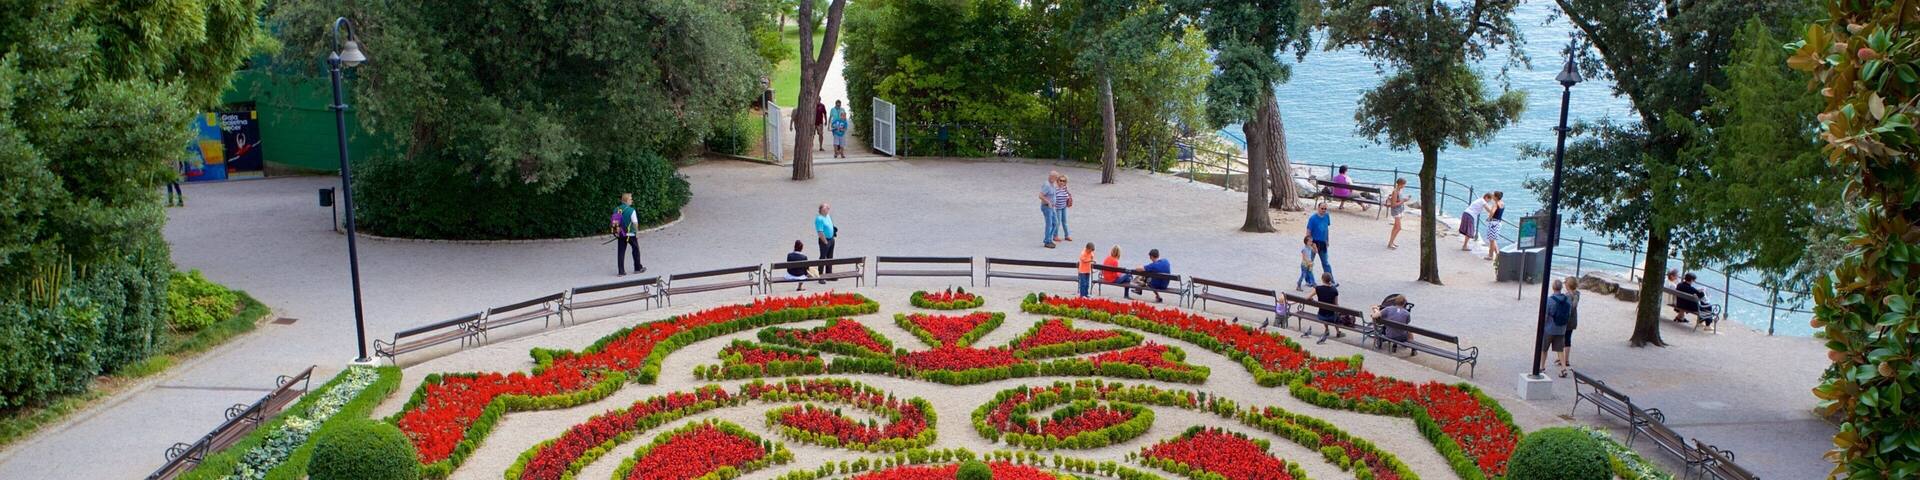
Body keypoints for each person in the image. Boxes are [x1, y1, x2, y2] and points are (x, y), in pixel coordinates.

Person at [610, 193, 646, 276]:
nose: (632, 200)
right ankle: (637, 268)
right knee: (635, 250)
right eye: (630, 199)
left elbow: (615, 221)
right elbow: (635, 223)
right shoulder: (631, 210)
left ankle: (621, 271)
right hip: (630, 234)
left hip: (620, 233)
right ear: (626, 200)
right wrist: (636, 232)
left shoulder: (616, 209)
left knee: (621, 252)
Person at [1546, 279, 1573, 377]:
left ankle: (1541, 367)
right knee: (1560, 349)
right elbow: (1569, 313)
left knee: (1544, 349)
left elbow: (1545, 315)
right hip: (1561, 328)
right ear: (1561, 288)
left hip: (1550, 328)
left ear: (1553, 288)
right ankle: (1563, 368)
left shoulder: (1549, 300)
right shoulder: (1567, 299)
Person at [1306, 272, 1343, 344]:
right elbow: (1336, 305)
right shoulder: (1334, 290)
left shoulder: (1318, 288)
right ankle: (1338, 332)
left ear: (1322, 279)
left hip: (1321, 315)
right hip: (1332, 317)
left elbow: (1307, 298)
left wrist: (1312, 299)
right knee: (1335, 312)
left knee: (1325, 311)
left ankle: (1326, 329)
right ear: (1330, 280)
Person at [1307, 202, 1333, 280]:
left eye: (1325, 209)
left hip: (1322, 242)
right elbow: (1308, 232)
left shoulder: (1327, 216)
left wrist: (1327, 240)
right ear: (1318, 208)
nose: (1323, 210)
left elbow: (1326, 229)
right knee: (1309, 262)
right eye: (1322, 208)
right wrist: (1310, 244)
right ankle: (1309, 280)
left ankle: (1330, 280)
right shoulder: (1313, 218)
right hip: (1314, 242)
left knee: (1325, 263)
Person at [1561, 277, 1580, 368]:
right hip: (1573, 320)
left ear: (1567, 285)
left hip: (1566, 320)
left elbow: (1570, 307)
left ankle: (1563, 359)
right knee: (1568, 338)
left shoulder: (1567, 296)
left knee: (1563, 338)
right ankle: (1566, 359)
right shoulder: (1577, 294)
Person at [815, 203, 837, 283]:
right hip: (824, 240)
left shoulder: (827, 216)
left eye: (827, 208)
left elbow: (830, 226)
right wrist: (825, 242)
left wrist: (832, 236)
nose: (827, 210)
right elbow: (820, 232)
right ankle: (820, 277)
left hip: (831, 239)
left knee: (830, 258)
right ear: (821, 210)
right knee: (822, 258)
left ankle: (829, 275)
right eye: (825, 209)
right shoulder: (819, 219)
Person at [1385, 178, 1407, 249]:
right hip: (1396, 211)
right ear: (1401, 184)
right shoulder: (1395, 192)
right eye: (1404, 184)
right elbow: (1393, 204)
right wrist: (1403, 201)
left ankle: (1391, 242)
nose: (1404, 186)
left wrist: (1404, 200)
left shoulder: (1399, 191)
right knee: (1398, 227)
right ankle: (1390, 243)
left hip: (1399, 210)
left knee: (1395, 227)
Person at [1484, 191, 1506, 260]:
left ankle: (1490, 255)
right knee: (1493, 240)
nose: (1492, 196)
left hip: (1493, 223)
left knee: (1491, 240)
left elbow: (1492, 212)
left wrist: (1489, 218)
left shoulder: (1495, 204)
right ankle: (1497, 254)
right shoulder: (1502, 203)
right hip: (1498, 223)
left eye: (1493, 195)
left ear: (1496, 197)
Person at [1040, 171, 1060, 248]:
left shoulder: (1052, 184)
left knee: (1055, 223)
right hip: (1047, 207)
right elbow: (1040, 195)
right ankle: (1047, 241)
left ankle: (1050, 239)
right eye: (1055, 178)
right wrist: (1048, 202)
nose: (1056, 179)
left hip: (1052, 207)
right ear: (1051, 177)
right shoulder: (1047, 185)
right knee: (1049, 224)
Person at [1053, 174, 1073, 243]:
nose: (1062, 182)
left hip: (1064, 207)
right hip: (1057, 208)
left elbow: (1067, 196)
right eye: (1060, 180)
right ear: (1057, 181)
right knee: (1057, 222)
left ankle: (1067, 235)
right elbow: (1052, 198)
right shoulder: (1055, 189)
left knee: (1065, 222)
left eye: (1064, 181)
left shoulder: (1065, 188)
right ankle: (1055, 236)